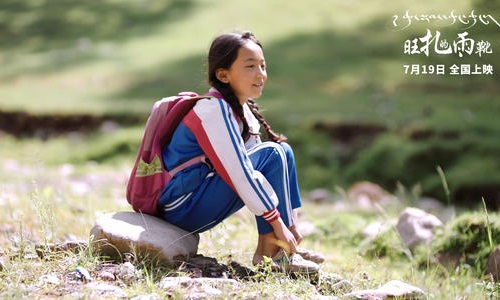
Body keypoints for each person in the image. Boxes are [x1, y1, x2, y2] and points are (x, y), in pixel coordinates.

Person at [158, 30, 323, 274]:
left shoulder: (241, 112)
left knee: (283, 151)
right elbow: (241, 174)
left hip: (201, 196)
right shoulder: (213, 110)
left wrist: (290, 224)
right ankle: (273, 249)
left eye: (263, 66)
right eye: (250, 66)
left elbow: (259, 170)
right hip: (182, 207)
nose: (260, 74)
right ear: (223, 75)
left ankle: (281, 249)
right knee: (272, 154)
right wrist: (277, 224)